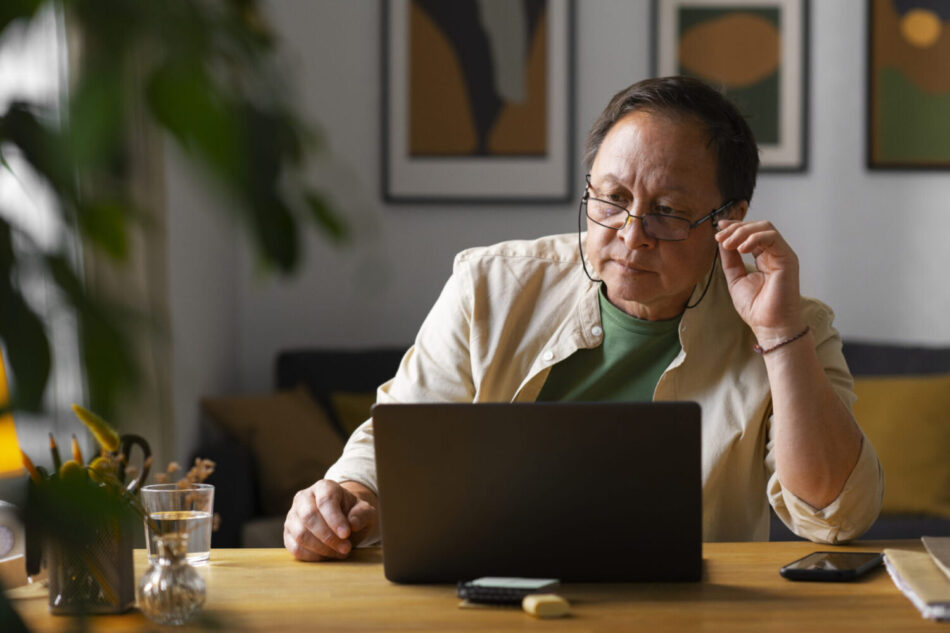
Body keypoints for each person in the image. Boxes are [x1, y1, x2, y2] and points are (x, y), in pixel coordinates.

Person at [284, 76, 884, 562]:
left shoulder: (793, 322)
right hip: (493, 593)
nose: (631, 235)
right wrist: (348, 498)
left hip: (689, 614)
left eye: (668, 211)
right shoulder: (490, 286)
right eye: (613, 199)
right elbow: (398, 441)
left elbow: (836, 516)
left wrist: (779, 336)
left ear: (730, 219)